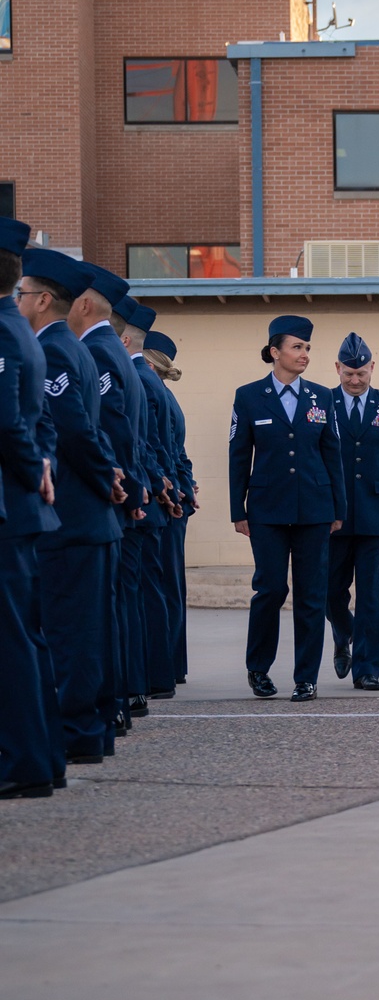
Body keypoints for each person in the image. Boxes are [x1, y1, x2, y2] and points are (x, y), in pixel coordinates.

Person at [21, 249, 124, 766]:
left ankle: (77, 732)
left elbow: (75, 431)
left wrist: (106, 476)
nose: (15, 301)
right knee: (87, 632)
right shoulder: (71, 345)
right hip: (90, 519)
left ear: (42, 300)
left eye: (20, 294)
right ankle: (91, 731)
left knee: (71, 634)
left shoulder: (57, 350)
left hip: (75, 518)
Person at [230, 315, 347, 702]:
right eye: (297, 347)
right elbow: (238, 456)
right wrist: (238, 510)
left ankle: (306, 678)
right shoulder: (248, 396)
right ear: (274, 351)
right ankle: (258, 669)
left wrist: (338, 508)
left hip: (315, 507)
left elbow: (333, 454)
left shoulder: (322, 397)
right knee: (270, 589)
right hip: (266, 509)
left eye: (308, 348)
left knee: (312, 594)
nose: (305, 355)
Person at [0, 217, 62, 798]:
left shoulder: (2, 332)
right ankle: (42, 759)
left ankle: (23, 764)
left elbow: (8, 424)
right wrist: (42, 467)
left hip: (8, 507)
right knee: (26, 636)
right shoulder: (15, 329)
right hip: (22, 502)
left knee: (13, 640)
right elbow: (38, 424)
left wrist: (32, 469)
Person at [71, 262, 146, 742]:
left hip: (105, 496)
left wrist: (124, 486)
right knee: (114, 606)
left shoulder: (97, 353)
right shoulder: (110, 352)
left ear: (82, 303)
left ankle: (111, 704)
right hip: (118, 494)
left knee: (103, 610)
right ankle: (117, 701)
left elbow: (114, 428)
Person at [327, 333, 379, 691]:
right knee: (330, 589)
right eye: (349, 374)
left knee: (371, 593)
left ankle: (366, 669)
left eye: (361, 373)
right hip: (334, 515)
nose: (355, 380)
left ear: (372, 368)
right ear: (338, 369)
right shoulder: (322, 402)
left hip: (376, 513)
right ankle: (344, 631)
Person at [112, 295, 178, 702]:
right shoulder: (147, 380)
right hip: (152, 495)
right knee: (151, 591)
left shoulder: (139, 378)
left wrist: (154, 485)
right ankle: (155, 676)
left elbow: (143, 444)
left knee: (138, 594)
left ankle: (144, 681)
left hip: (141, 499)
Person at [144, 329, 196, 687]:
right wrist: (185, 487)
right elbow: (180, 455)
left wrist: (171, 490)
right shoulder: (169, 397)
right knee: (171, 586)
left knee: (159, 587)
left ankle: (160, 668)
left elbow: (160, 450)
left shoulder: (153, 393)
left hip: (164, 501)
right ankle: (173, 665)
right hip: (176, 497)